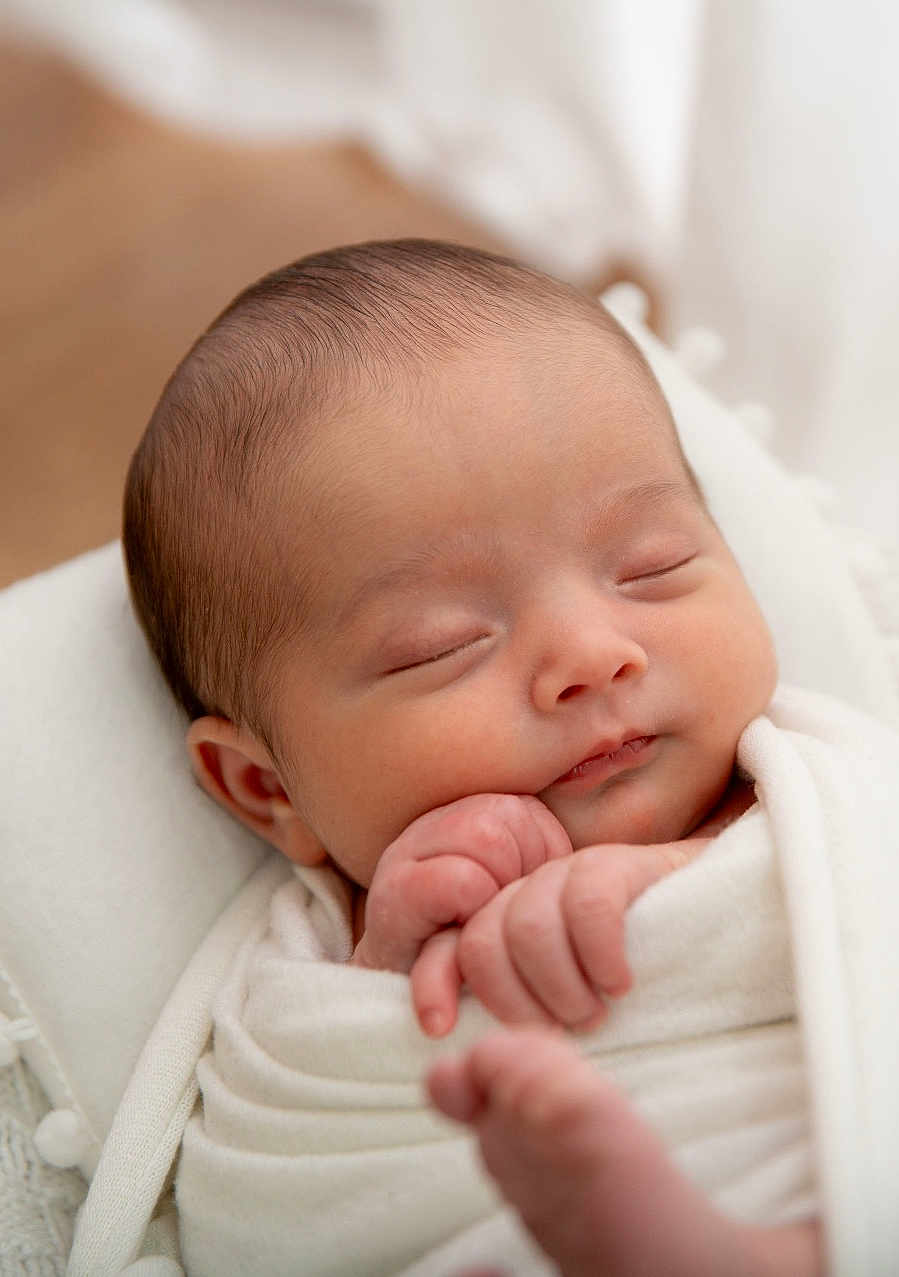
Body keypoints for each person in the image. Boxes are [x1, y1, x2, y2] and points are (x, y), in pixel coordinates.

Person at [123, 238, 823, 1275]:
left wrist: (656, 879)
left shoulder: (819, 799)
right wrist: (395, 980)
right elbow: (284, 1167)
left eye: (651, 564)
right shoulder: (310, 965)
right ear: (268, 787)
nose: (590, 655)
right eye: (443, 645)